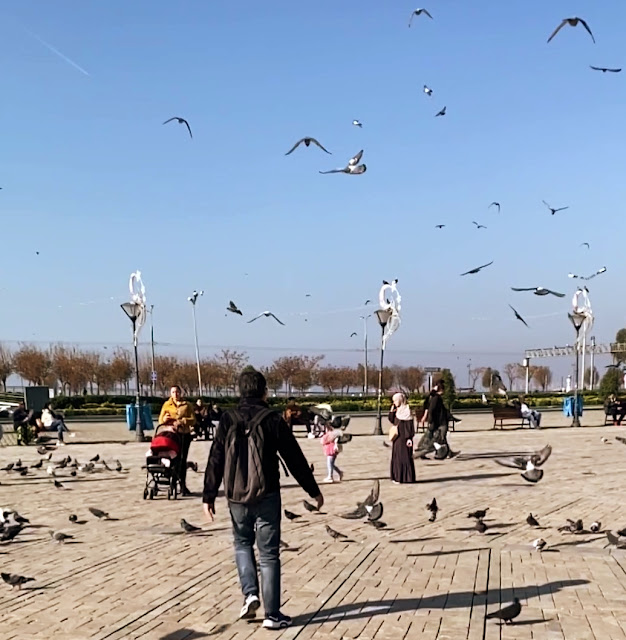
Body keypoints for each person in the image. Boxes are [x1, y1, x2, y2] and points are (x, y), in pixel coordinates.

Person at [203, 369, 323, 630]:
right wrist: (312, 490)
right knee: (269, 554)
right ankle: (272, 614)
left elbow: (216, 458)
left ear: (240, 391)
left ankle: (250, 594)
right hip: (267, 493)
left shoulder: (228, 418)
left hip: (235, 495)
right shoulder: (272, 419)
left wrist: (208, 496)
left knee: (242, 544)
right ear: (264, 392)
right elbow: (294, 457)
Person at [159, 386, 196, 496]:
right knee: (174, 459)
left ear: (181, 393)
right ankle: (173, 483)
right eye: (173, 392)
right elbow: (160, 420)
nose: (175, 394)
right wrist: (165, 419)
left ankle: (183, 485)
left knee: (183, 460)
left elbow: (193, 419)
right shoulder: (167, 405)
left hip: (184, 435)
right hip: (171, 435)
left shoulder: (187, 405)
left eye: (177, 392)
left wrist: (183, 421)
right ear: (170, 393)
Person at [419, 382, 457, 459]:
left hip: (437, 422)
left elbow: (428, 407)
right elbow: (431, 409)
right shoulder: (436, 398)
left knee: (440, 438)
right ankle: (438, 454)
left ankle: (448, 453)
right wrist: (430, 420)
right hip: (440, 422)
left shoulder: (432, 397)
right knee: (439, 439)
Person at [388, 392, 416, 483]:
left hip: (404, 438)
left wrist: (409, 438)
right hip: (397, 437)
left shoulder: (407, 411)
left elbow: (409, 426)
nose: (394, 402)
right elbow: (392, 420)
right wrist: (392, 411)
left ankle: (406, 478)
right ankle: (397, 476)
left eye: (396, 401)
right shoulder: (397, 411)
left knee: (405, 457)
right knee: (397, 457)